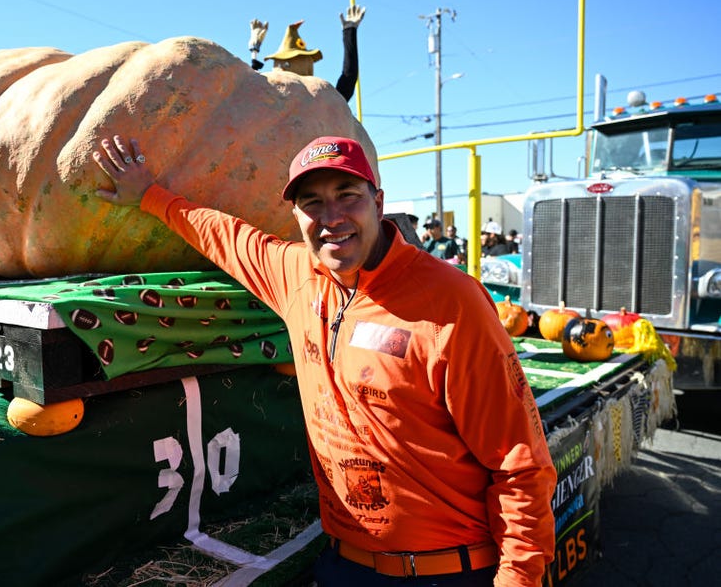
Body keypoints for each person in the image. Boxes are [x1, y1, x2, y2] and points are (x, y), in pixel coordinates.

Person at [92, 134, 556, 586]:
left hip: (445, 572)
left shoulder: (451, 303)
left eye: (347, 195)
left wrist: (519, 577)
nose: (331, 216)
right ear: (294, 215)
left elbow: (520, 464)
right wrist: (149, 196)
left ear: (378, 201)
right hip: (344, 565)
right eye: (311, 202)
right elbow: (225, 236)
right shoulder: (296, 274)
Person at [248, 5, 366, 102]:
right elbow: (249, 89)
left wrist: (349, 31)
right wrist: (254, 49)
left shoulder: (320, 101)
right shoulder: (270, 98)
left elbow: (348, 78)